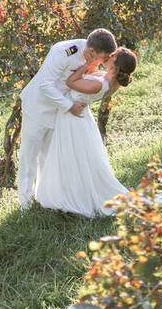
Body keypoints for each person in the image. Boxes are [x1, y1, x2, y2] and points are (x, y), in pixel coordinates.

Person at [16, 29, 117, 210]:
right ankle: (25, 203)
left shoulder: (93, 57)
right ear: (93, 52)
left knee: (48, 157)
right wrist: (69, 106)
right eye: (103, 58)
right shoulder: (64, 51)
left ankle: (44, 197)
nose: (103, 62)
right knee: (29, 156)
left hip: (59, 114)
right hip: (38, 108)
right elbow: (45, 84)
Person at [35, 47, 138, 216]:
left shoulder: (99, 84)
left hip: (73, 120)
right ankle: (67, 192)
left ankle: (74, 197)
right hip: (74, 116)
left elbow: (70, 82)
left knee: (71, 159)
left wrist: (89, 63)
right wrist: (92, 63)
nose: (109, 56)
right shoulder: (103, 78)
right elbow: (87, 75)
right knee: (73, 160)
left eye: (113, 56)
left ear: (116, 66)